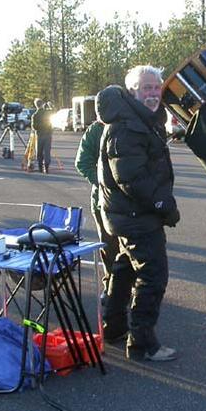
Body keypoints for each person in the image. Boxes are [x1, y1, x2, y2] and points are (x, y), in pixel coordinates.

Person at [97, 65, 180, 362]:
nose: (153, 94)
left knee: (124, 269)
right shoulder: (127, 126)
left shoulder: (139, 119)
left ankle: (114, 327)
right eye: (147, 88)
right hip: (136, 217)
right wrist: (163, 205)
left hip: (126, 216)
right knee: (153, 275)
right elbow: (131, 179)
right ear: (133, 91)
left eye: (156, 88)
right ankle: (143, 343)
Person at [75, 116, 120, 312]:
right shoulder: (96, 130)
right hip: (104, 202)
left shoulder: (132, 124)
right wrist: (104, 183)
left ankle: (133, 287)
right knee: (109, 247)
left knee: (132, 249)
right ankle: (110, 287)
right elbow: (82, 162)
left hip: (134, 204)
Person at [31, 98, 53, 173]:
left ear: (36, 105)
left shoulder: (35, 115)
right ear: (42, 104)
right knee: (47, 152)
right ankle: (46, 167)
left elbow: (34, 127)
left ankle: (40, 167)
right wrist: (50, 105)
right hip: (48, 135)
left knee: (39, 152)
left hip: (40, 135)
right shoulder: (47, 113)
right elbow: (53, 111)